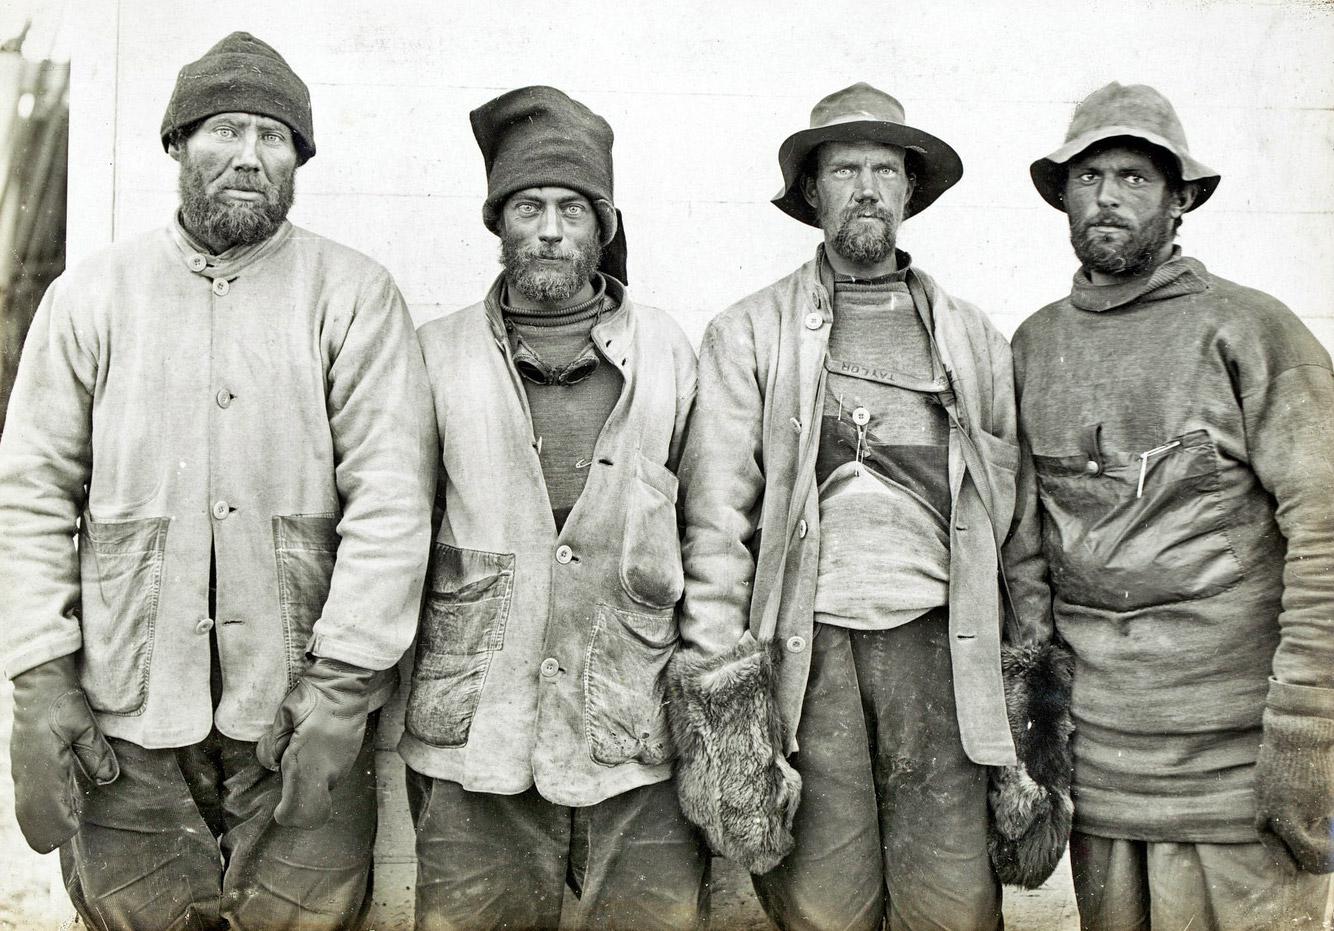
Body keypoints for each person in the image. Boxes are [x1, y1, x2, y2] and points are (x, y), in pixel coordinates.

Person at [0, 32, 436, 930]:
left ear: (299, 161)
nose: (249, 155)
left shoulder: (353, 296)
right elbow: (31, 494)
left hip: (295, 708)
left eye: (274, 138)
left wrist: (342, 687)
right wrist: (41, 676)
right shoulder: (90, 298)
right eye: (224, 130)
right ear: (175, 145)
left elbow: (392, 502)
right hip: (124, 710)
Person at [670, 82, 1068, 931]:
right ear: (811, 191)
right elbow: (716, 526)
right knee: (825, 904)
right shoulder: (748, 334)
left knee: (953, 905)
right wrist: (724, 695)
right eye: (843, 167)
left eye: (886, 168)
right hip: (807, 659)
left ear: (910, 190)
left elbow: (1017, 526)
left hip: (943, 655)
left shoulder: (971, 338)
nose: (866, 187)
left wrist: (1030, 668)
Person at [1013, 80, 1334, 929]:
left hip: (1241, 771)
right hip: (1107, 770)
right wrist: (1035, 730)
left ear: (1180, 198)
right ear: (1063, 198)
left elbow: (1328, 534)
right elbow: (1023, 551)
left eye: (1133, 177)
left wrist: (1307, 734)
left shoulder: (1252, 331)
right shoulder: (1034, 344)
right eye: (1088, 179)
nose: (1107, 198)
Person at [401, 85, 706, 930]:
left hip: (634, 723)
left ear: (602, 226)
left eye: (572, 208)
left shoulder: (668, 353)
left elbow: (714, 532)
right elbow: (393, 531)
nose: (548, 227)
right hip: (477, 726)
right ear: (498, 221)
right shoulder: (435, 355)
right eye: (527, 206)